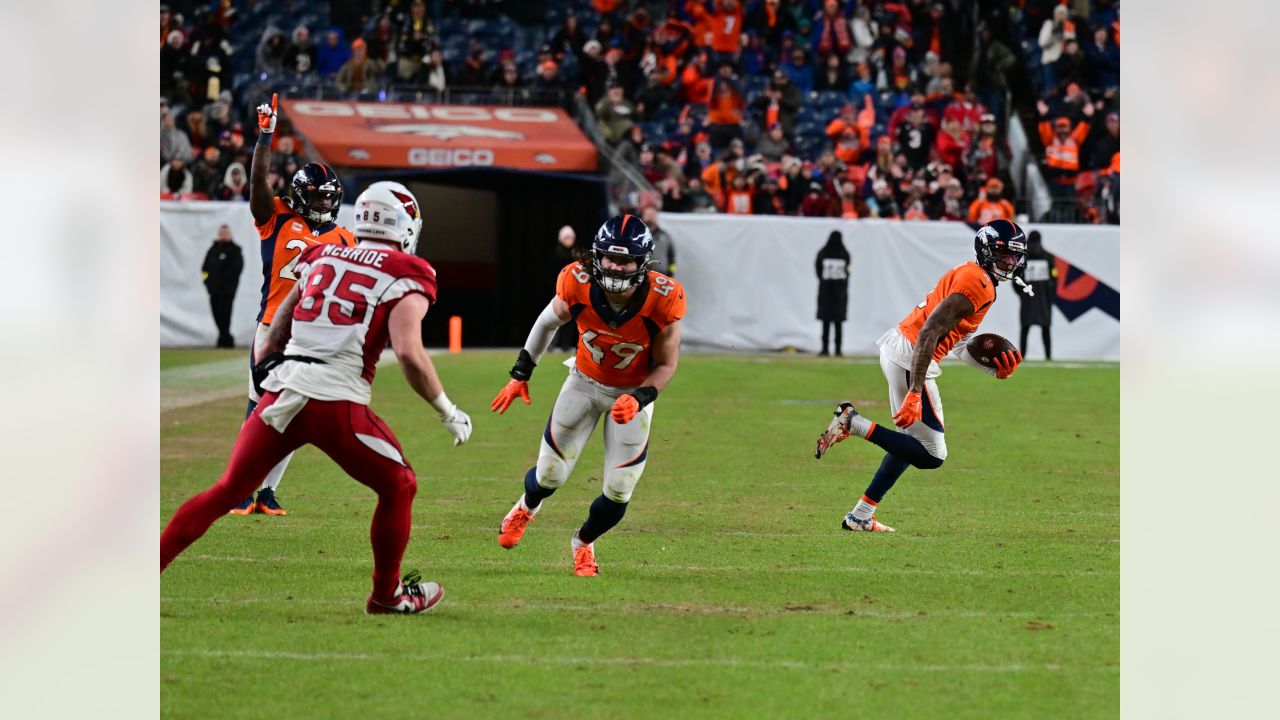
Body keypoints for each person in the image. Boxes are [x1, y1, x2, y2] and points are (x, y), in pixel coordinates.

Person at [160, 182, 473, 614]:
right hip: (335, 400)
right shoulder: (407, 269)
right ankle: (386, 594)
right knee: (400, 485)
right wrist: (447, 410)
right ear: (406, 223)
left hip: (285, 389)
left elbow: (279, 322)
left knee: (226, 489)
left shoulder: (322, 253)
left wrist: (268, 364)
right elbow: (409, 353)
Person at [490, 214, 686, 576]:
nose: (616, 266)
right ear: (596, 256)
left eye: (625, 260)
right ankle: (526, 506)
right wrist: (520, 374)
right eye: (611, 258)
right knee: (550, 475)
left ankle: (583, 543)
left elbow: (668, 363)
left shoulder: (663, 298)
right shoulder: (576, 281)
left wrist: (641, 397)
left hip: (630, 393)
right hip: (583, 381)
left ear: (643, 263)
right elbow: (547, 321)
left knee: (619, 490)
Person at [814, 220, 1030, 532]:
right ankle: (853, 422)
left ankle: (860, 515)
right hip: (911, 356)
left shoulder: (977, 277)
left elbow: (953, 341)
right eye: (1005, 254)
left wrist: (991, 369)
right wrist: (915, 391)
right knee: (932, 455)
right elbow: (930, 331)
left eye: (1015, 256)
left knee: (911, 442)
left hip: (906, 352)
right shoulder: (977, 283)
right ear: (986, 251)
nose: (1011, 262)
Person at [230, 95, 357, 517]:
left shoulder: (345, 238)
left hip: (315, 332)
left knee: (296, 410)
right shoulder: (278, 216)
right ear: (301, 195)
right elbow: (258, 186)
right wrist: (265, 139)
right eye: (318, 197)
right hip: (272, 327)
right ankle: (244, 489)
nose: (325, 204)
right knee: (260, 407)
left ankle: (267, 492)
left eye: (329, 197)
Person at [202, 224, 243, 348]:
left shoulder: (235, 250)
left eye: (225, 233)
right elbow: (204, 269)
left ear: (230, 235)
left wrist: (228, 285)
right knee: (216, 315)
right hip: (213, 291)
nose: (222, 235)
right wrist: (207, 283)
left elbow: (236, 270)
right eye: (221, 233)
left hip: (227, 291)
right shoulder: (212, 250)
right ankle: (224, 338)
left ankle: (225, 340)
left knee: (225, 315)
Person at [1018, 230, 1056, 359]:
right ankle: (1048, 356)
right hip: (1044, 299)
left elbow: (1016, 279)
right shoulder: (1048, 257)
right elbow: (1055, 278)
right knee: (1046, 329)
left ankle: (1022, 356)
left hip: (1027, 298)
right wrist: (1049, 293)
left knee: (1025, 328)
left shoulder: (1023, 258)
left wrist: (1022, 293)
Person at [815, 230, 850, 356]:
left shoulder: (822, 253)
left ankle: (824, 349)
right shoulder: (845, 254)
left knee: (826, 322)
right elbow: (848, 272)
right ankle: (838, 350)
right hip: (840, 294)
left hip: (825, 292)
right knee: (838, 323)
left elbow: (818, 271)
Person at [546, 225, 579, 351]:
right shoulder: (555, 254)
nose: (568, 240)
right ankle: (552, 343)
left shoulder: (576, 254)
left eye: (570, 238)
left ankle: (566, 344)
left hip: (573, 293)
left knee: (570, 320)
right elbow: (548, 273)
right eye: (566, 238)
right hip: (557, 292)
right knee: (554, 317)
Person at [640, 204, 676, 277]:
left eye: (652, 215)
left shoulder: (665, 236)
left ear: (656, 217)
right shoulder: (636, 236)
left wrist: (671, 273)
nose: (650, 218)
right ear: (643, 216)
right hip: (641, 275)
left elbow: (672, 257)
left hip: (662, 276)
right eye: (648, 215)